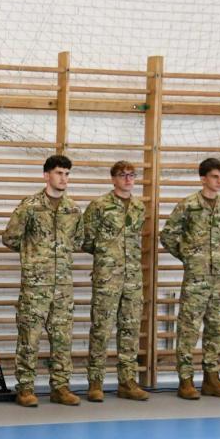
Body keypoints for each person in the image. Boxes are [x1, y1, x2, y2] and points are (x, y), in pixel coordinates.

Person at [2, 154, 83, 408]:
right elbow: (10, 237)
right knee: (30, 337)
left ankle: (60, 387)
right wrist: (34, 256)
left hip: (63, 286)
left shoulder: (73, 209)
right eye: (59, 173)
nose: (64, 178)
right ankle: (25, 388)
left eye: (67, 174)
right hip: (36, 286)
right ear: (46, 175)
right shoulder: (30, 206)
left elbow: (78, 241)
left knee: (63, 338)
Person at [159, 157, 220, 400]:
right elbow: (167, 235)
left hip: (218, 279)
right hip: (196, 279)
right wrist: (190, 257)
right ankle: (185, 381)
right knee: (188, 329)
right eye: (215, 176)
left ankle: (212, 379)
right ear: (203, 178)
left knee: (215, 328)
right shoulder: (189, 205)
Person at [82, 161, 149, 402]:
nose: (128, 179)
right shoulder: (99, 205)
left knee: (130, 329)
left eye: (132, 175)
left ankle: (127, 381)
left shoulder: (139, 207)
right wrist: (107, 256)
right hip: (107, 277)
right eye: (122, 175)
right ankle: (95, 382)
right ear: (113, 179)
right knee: (101, 329)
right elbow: (86, 239)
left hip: (133, 278)